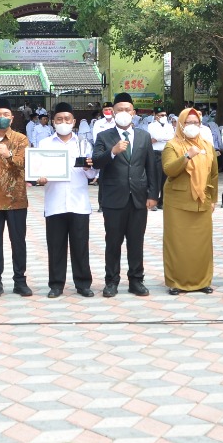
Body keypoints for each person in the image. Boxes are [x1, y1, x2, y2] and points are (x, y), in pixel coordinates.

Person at [91, 92, 157, 297]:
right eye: (119, 109)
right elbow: (96, 162)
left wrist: (153, 194)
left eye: (127, 109)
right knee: (113, 242)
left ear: (134, 113)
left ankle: (136, 280)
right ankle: (111, 281)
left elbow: (151, 166)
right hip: (113, 198)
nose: (123, 112)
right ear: (112, 112)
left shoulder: (144, 136)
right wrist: (112, 151)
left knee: (136, 242)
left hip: (138, 198)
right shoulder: (104, 136)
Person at [34, 103, 97, 298]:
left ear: (73, 121)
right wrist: (39, 178)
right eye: (59, 119)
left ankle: (83, 283)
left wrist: (88, 168)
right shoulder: (45, 144)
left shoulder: (83, 144)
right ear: (53, 122)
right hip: (55, 203)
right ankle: (56, 285)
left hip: (79, 203)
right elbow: (37, 170)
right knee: (56, 247)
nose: (63, 122)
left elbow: (93, 174)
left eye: (67, 119)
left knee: (80, 246)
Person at [160, 107, 218, 295]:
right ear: (180, 124)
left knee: (202, 244)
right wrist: (187, 156)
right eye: (188, 122)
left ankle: (203, 281)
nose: (192, 126)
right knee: (178, 244)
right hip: (177, 204)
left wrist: (213, 198)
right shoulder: (172, 145)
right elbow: (169, 170)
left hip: (202, 200)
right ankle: (175, 282)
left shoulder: (207, 146)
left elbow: (214, 174)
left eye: (196, 122)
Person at [0, 98, 32, 298]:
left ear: (12, 118)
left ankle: (20, 281)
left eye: (5, 115)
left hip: (16, 199)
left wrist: (8, 154)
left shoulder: (21, 139)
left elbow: (24, 164)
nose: (1, 118)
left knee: (18, 241)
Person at [149, 107, 175, 210]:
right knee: (156, 178)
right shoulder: (151, 125)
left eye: (165, 115)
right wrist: (163, 137)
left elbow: (172, 137)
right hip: (156, 153)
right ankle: (154, 201)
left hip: (167, 152)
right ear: (156, 116)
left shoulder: (169, 126)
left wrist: (159, 138)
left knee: (166, 178)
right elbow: (156, 136)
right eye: (161, 115)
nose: (164, 117)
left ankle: (162, 201)